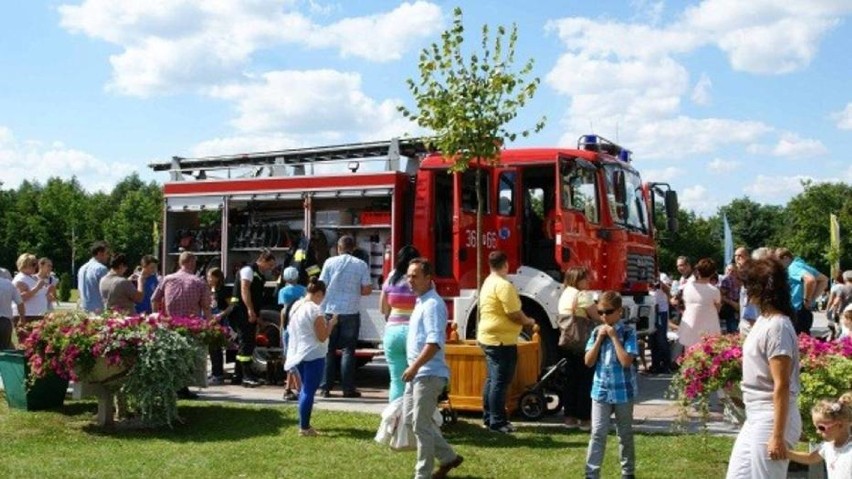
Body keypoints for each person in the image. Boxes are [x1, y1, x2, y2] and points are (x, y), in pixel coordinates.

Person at [726, 258, 802, 479]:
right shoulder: (763, 320)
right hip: (756, 415)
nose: (745, 290)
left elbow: (782, 384)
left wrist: (777, 436)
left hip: (772, 418)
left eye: (748, 285)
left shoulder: (778, 326)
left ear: (760, 288)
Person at [402, 257, 463, 479]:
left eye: (415, 276)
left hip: (427, 375)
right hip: (418, 374)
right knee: (412, 421)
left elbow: (434, 343)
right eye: (408, 276)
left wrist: (414, 368)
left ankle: (422, 475)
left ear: (428, 278)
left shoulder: (433, 305)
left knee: (419, 425)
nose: (410, 280)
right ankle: (448, 457)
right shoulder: (422, 301)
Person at [477, 250, 535, 433]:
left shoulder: (488, 282)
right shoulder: (504, 285)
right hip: (501, 340)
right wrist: (529, 321)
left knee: (492, 380)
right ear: (505, 264)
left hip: (488, 336)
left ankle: (488, 417)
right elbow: (513, 313)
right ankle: (498, 421)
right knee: (500, 381)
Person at [583, 291, 639, 479]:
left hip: (623, 392)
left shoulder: (629, 332)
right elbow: (588, 361)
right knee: (598, 433)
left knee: (625, 434)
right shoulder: (595, 332)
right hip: (601, 391)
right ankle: (591, 474)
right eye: (600, 312)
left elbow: (626, 362)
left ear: (619, 312)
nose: (604, 316)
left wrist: (614, 337)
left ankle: (627, 472)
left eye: (608, 312)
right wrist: (599, 339)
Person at [151, 251, 213, 399]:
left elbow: (154, 299)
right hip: (191, 327)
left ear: (180, 263)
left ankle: (173, 387)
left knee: (172, 356)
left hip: (170, 325)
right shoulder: (199, 282)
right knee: (187, 358)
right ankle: (182, 388)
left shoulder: (167, 279)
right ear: (192, 263)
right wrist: (210, 324)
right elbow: (206, 306)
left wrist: (157, 317)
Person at [319, 235, 372, 398]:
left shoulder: (329, 262)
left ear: (338, 248)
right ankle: (347, 389)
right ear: (353, 248)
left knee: (328, 350)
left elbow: (322, 285)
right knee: (348, 350)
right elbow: (367, 290)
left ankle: (325, 388)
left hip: (330, 310)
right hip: (351, 311)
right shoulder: (361, 264)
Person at [283, 278, 336, 437]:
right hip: (314, 353)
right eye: (323, 296)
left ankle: (304, 423)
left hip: (298, 352)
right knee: (308, 390)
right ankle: (304, 427)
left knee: (304, 389)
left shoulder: (295, 305)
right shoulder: (315, 310)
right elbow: (322, 336)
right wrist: (331, 324)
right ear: (319, 294)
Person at [557, 266, 601, 430]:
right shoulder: (582, 295)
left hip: (567, 341)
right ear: (578, 280)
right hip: (582, 342)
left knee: (571, 379)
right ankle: (584, 418)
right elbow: (596, 315)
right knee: (585, 379)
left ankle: (569, 417)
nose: (588, 281)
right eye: (585, 278)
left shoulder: (565, 294)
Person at [229, 250, 276, 388]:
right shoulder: (248, 270)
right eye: (270, 264)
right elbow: (245, 290)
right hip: (241, 311)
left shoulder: (259, 275)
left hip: (248, 312)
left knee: (246, 342)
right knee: (246, 343)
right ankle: (246, 376)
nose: (271, 268)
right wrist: (250, 310)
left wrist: (257, 315)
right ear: (262, 260)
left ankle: (238, 374)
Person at [379, 245, 421, 403]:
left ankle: (394, 420)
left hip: (393, 331)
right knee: (416, 379)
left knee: (396, 380)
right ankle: (412, 418)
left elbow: (383, 308)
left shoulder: (391, 277)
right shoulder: (420, 280)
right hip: (414, 331)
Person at [786, 392, 852, 479]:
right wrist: (786, 453)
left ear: (840, 425)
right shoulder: (827, 446)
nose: (817, 431)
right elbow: (810, 458)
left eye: (821, 427)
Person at [776, 248, 828, 336]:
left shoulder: (793, 267)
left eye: (778, 262)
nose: (778, 266)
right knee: (805, 340)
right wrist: (812, 299)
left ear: (785, 258)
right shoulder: (801, 265)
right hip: (804, 311)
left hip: (797, 310)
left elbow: (810, 280)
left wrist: (806, 299)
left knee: (796, 342)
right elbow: (824, 280)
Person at [676, 258, 721, 349]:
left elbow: (682, 303)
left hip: (690, 326)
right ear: (712, 273)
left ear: (698, 270)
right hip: (709, 328)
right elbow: (718, 309)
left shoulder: (687, 287)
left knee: (690, 357)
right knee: (708, 357)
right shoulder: (715, 291)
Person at [278, 266, 306, 401]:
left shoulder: (283, 292)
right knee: (295, 358)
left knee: (290, 359)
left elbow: (284, 311)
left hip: (288, 327)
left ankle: (298, 389)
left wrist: (282, 328)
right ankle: (289, 389)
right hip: (299, 328)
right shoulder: (303, 290)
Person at [207, 267, 233, 386]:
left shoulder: (224, 290)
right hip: (211, 321)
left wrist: (221, 314)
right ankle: (214, 372)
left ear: (217, 278)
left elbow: (231, 306)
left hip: (221, 321)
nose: (208, 279)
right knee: (212, 348)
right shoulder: (210, 290)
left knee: (217, 348)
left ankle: (218, 375)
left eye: (210, 277)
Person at [12, 253, 50, 326]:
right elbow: (20, 298)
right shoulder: (20, 279)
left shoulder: (31, 277)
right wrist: (37, 288)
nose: (35, 266)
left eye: (35, 264)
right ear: (24, 265)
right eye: (33, 264)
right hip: (27, 316)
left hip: (36, 315)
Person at [78, 241, 110, 314]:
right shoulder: (101, 269)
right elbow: (108, 290)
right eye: (107, 253)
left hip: (83, 309)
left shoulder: (82, 268)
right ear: (99, 253)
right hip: (97, 310)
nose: (108, 256)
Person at [648, 277, 671, 374]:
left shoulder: (663, 276)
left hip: (661, 311)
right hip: (650, 311)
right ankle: (655, 365)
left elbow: (668, 290)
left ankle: (666, 365)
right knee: (652, 339)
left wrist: (659, 281)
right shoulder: (645, 275)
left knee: (661, 339)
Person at [735, 247, 759, 336]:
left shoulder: (753, 272)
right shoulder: (740, 271)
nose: (737, 258)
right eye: (736, 256)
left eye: (740, 256)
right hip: (744, 322)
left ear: (747, 257)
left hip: (752, 323)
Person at [0, 272, 25, 350]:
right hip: (4, 321)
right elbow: (20, 303)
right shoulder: (9, 284)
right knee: (5, 348)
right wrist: (22, 318)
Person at [719, 263, 741, 334]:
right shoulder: (726, 279)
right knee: (732, 329)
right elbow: (721, 294)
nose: (730, 272)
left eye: (733, 271)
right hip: (729, 307)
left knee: (733, 329)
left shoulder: (738, 280)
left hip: (735, 306)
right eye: (729, 270)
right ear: (725, 271)